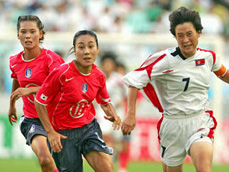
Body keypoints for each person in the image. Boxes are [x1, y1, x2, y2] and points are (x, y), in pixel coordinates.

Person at [121, 6, 229, 172]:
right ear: (175, 37)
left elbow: (224, 74)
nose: (185, 40)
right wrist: (130, 115)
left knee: (204, 168)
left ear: (199, 32)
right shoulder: (165, 60)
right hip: (172, 125)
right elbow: (134, 80)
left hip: (199, 121)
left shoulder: (209, 57)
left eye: (189, 34)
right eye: (180, 36)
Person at [34, 30, 122, 172]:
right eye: (81, 47)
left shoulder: (99, 75)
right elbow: (40, 101)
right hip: (63, 133)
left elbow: (104, 101)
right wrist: (50, 132)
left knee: (107, 169)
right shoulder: (61, 73)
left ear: (97, 49)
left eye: (91, 46)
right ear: (75, 50)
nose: (86, 51)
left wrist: (114, 114)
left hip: (88, 128)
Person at [8, 15, 64, 172]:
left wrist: (31, 90)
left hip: (56, 118)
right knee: (45, 160)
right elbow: (17, 79)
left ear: (40, 33)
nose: (27, 35)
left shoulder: (52, 60)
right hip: (32, 119)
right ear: (18, 34)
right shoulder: (14, 61)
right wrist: (12, 105)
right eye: (23, 31)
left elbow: (60, 87)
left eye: (32, 31)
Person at [98, 52, 129, 172]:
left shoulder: (119, 78)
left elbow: (128, 93)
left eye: (109, 64)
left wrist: (121, 102)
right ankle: (108, 161)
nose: (107, 66)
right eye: (105, 64)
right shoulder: (99, 77)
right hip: (103, 112)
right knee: (105, 135)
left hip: (118, 112)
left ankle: (119, 163)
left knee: (119, 141)